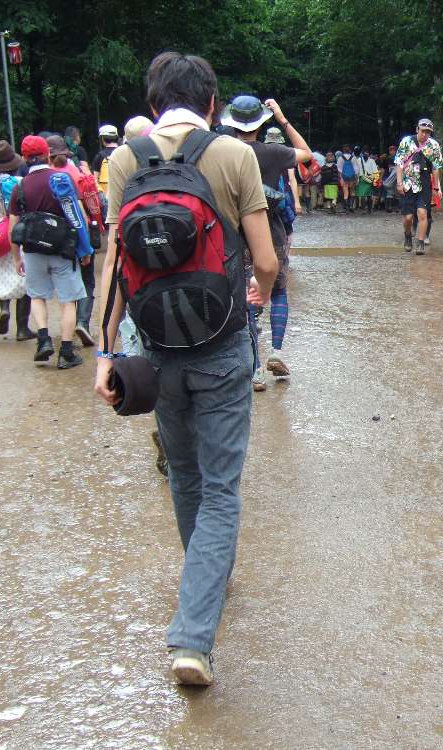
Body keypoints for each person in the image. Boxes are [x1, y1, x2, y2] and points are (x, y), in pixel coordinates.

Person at [94, 51, 279, 686]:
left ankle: (204, 581)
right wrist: (259, 290)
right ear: (211, 103)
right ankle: (193, 636)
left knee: (184, 476)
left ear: (152, 104)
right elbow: (267, 259)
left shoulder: (124, 159)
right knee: (222, 490)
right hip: (222, 346)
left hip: (154, 351)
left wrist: (105, 351)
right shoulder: (234, 155)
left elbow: (114, 267)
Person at [222, 95, 311, 390]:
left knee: (246, 298)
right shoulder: (273, 153)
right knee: (279, 290)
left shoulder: (224, 152)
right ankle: (276, 351)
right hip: (270, 231)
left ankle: (256, 369)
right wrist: (282, 118)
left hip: (235, 236)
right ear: (261, 123)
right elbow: (306, 153)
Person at [8, 135, 93, 369]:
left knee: (37, 296)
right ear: (48, 154)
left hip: (33, 250)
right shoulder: (61, 179)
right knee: (68, 301)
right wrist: (84, 249)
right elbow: (78, 217)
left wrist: (17, 257)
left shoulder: (20, 187)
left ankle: (43, 340)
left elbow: (13, 227)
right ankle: (66, 352)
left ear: (24, 158)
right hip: (62, 249)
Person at [46, 134, 98, 347]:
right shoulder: (74, 173)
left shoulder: (46, 177)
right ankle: (82, 323)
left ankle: (68, 325)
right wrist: (85, 246)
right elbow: (83, 214)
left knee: (67, 285)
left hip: (54, 240)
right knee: (87, 281)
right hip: (79, 234)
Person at [0, 141, 34, 342]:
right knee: (23, 276)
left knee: (1, 273)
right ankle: (22, 328)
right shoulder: (19, 181)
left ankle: (4, 308)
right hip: (15, 228)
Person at [394, 118, 443, 255]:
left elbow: (436, 167)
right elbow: (399, 163)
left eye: (428, 132)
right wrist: (399, 182)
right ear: (417, 129)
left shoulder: (434, 145)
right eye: (423, 131)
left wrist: (436, 188)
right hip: (407, 181)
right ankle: (408, 235)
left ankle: (420, 242)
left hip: (424, 182)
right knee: (408, 217)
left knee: (422, 213)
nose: (425, 134)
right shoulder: (406, 141)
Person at [92, 124, 120, 196]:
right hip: (123, 195)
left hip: (106, 198)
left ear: (102, 139)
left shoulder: (99, 156)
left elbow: (95, 180)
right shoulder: (125, 152)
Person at [356, 148, 379, 213]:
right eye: (364, 153)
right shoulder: (358, 160)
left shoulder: (372, 161)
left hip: (370, 180)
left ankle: (369, 209)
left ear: (369, 154)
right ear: (362, 154)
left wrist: (375, 180)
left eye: (367, 153)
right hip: (361, 179)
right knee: (362, 195)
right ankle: (363, 209)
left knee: (369, 195)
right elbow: (357, 171)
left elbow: (375, 171)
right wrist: (357, 180)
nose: (366, 154)